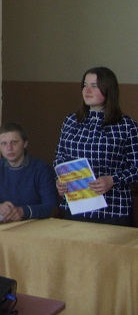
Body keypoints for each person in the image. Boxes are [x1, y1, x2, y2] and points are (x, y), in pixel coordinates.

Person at [54, 66, 138, 226]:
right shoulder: (71, 121)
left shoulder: (127, 126)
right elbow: (60, 157)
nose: (87, 90)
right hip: (76, 207)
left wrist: (113, 180)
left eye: (94, 86)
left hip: (113, 210)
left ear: (108, 90)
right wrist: (60, 179)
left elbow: (136, 167)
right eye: (85, 85)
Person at [0, 123, 57, 221]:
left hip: (35, 225)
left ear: (25, 143)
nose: (9, 148)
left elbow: (52, 208)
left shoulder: (41, 169)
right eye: (4, 143)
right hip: (6, 222)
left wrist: (22, 211)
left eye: (14, 143)